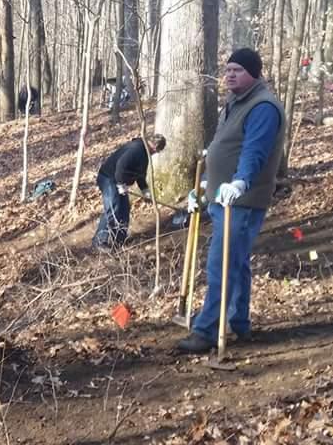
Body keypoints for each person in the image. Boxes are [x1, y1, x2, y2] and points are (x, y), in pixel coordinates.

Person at [177, 48, 284, 353]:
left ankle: (208, 330)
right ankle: (239, 322)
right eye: (228, 70)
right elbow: (226, 147)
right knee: (236, 263)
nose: (230, 74)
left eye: (238, 69)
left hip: (242, 199)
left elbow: (254, 151)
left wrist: (240, 181)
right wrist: (207, 187)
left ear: (254, 73)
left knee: (221, 264)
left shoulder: (263, 107)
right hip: (223, 197)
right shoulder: (236, 103)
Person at [91, 133, 167, 250]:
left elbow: (140, 174)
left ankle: (120, 238)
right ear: (154, 147)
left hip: (119, 180)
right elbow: (121, 167)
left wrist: (145, 190)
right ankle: (100, 240)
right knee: (113, 207)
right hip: (108, 178)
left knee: (124, 208)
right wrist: (121, 184)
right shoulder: (136, 149)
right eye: (156, 151)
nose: (155, 153)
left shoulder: (144, 154)